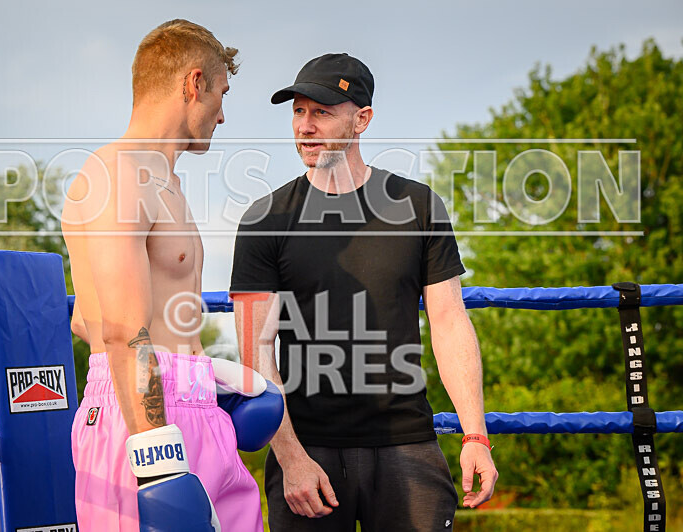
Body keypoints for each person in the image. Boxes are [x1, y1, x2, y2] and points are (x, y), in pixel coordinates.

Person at [230, 53, 498, 531]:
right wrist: (290, 457)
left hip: (406, 444)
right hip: (306, 450)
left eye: (322, 112)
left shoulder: (417, 206)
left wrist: (475, 436)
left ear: (362, 119)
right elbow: (256, 349)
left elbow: (450, 321)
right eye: (297, 111)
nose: (305, 127)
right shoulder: (264, 219)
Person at [62, 20, 278, 532]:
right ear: (193, 83)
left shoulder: (166, 181)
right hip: (141, 421)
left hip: (189, 405)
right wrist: (155, 456)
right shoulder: (118, 173)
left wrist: (202, 375)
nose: (222, 116)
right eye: (220, 95)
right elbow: (119, 329)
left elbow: (82, 321)